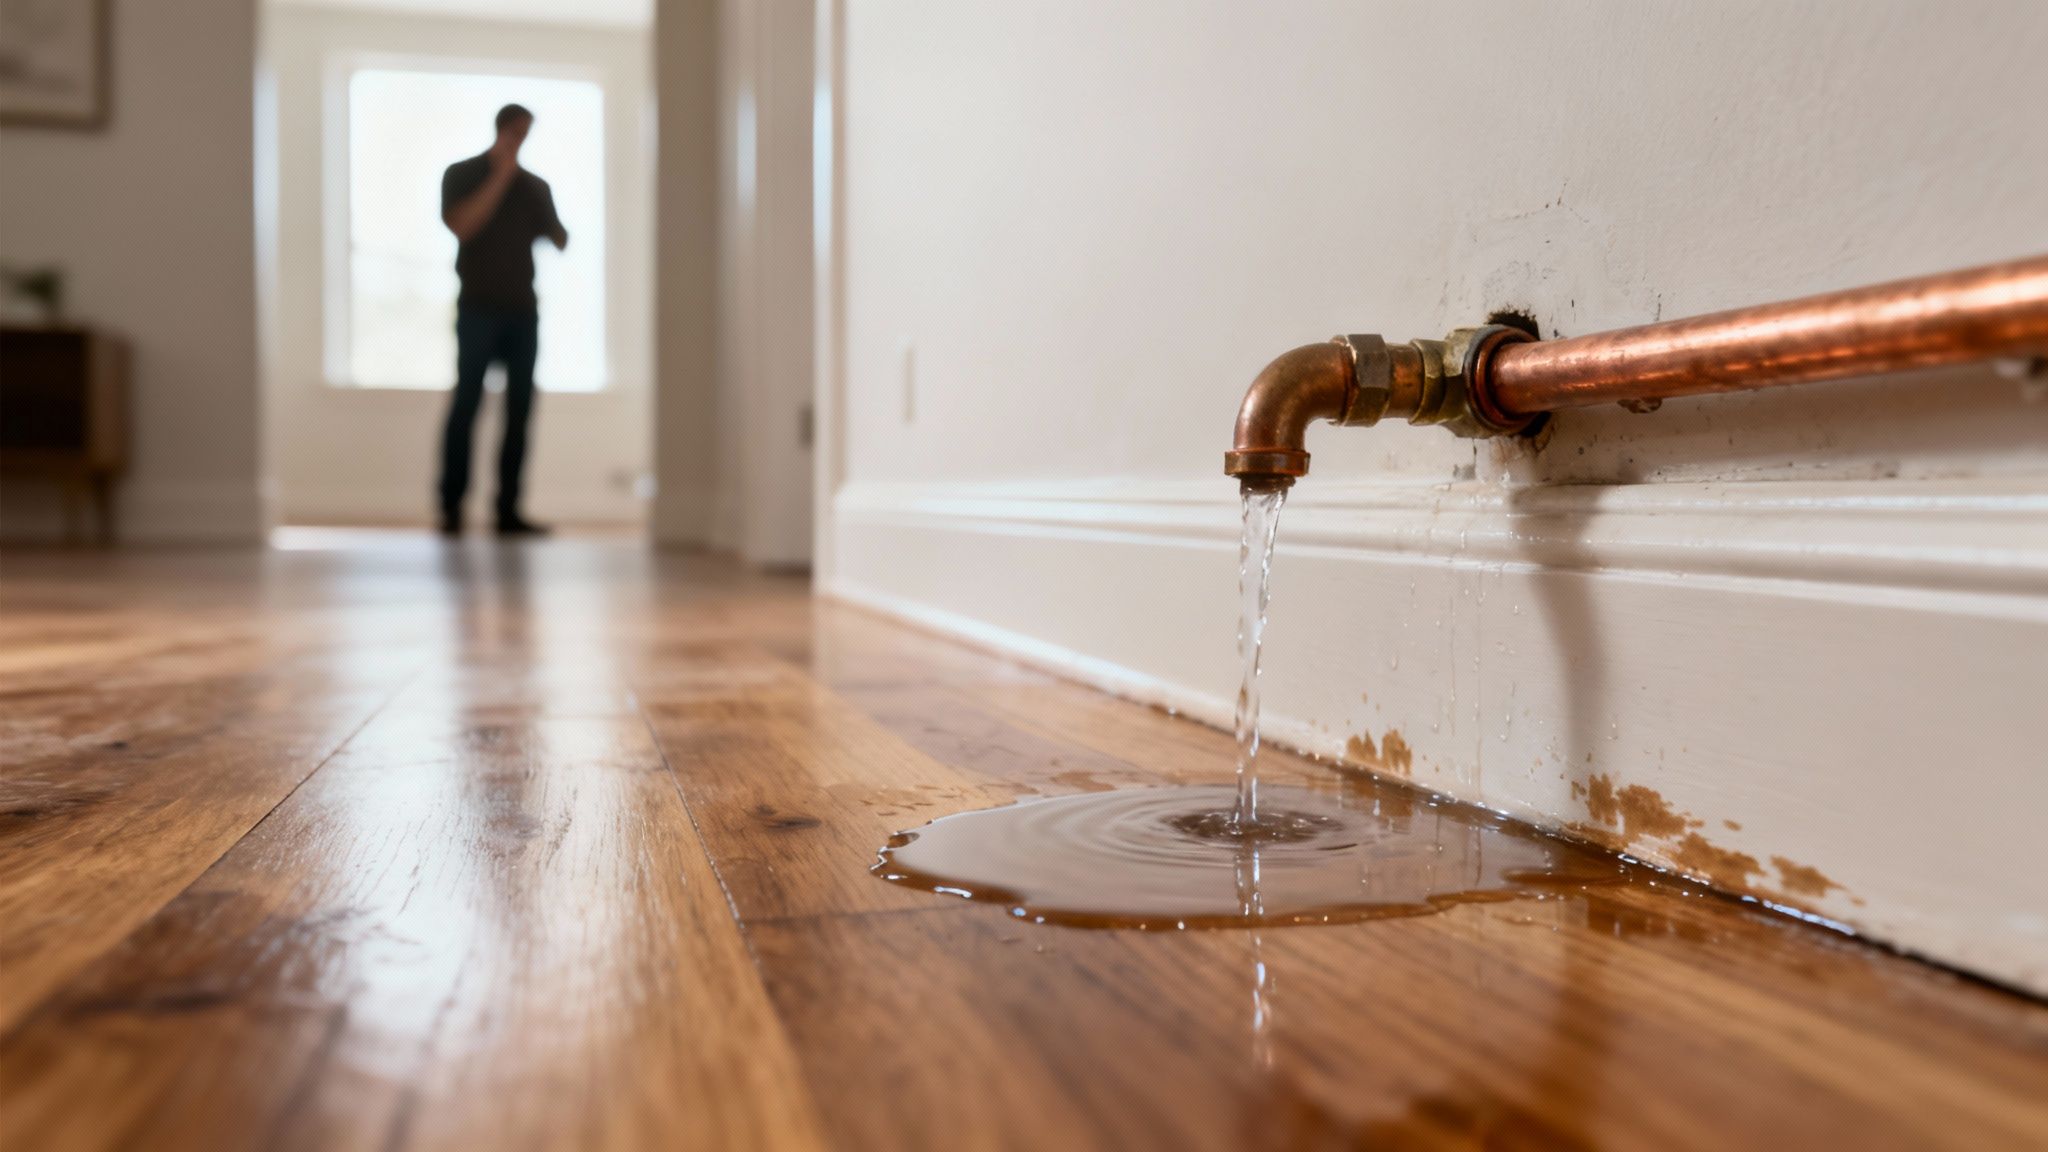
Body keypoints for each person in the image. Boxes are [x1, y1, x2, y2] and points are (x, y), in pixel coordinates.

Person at [436, 103, 568, 536]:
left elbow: (559, 238)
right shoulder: (463, 174)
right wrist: (501, 177)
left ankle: (508, 510)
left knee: (520, 411)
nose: (519, 137)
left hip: (522, 312)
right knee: (467, 405)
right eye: (514, 131)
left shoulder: (535, 187)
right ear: (501, 129)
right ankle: (451, 508)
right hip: (477, 308)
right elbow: (463, 226)